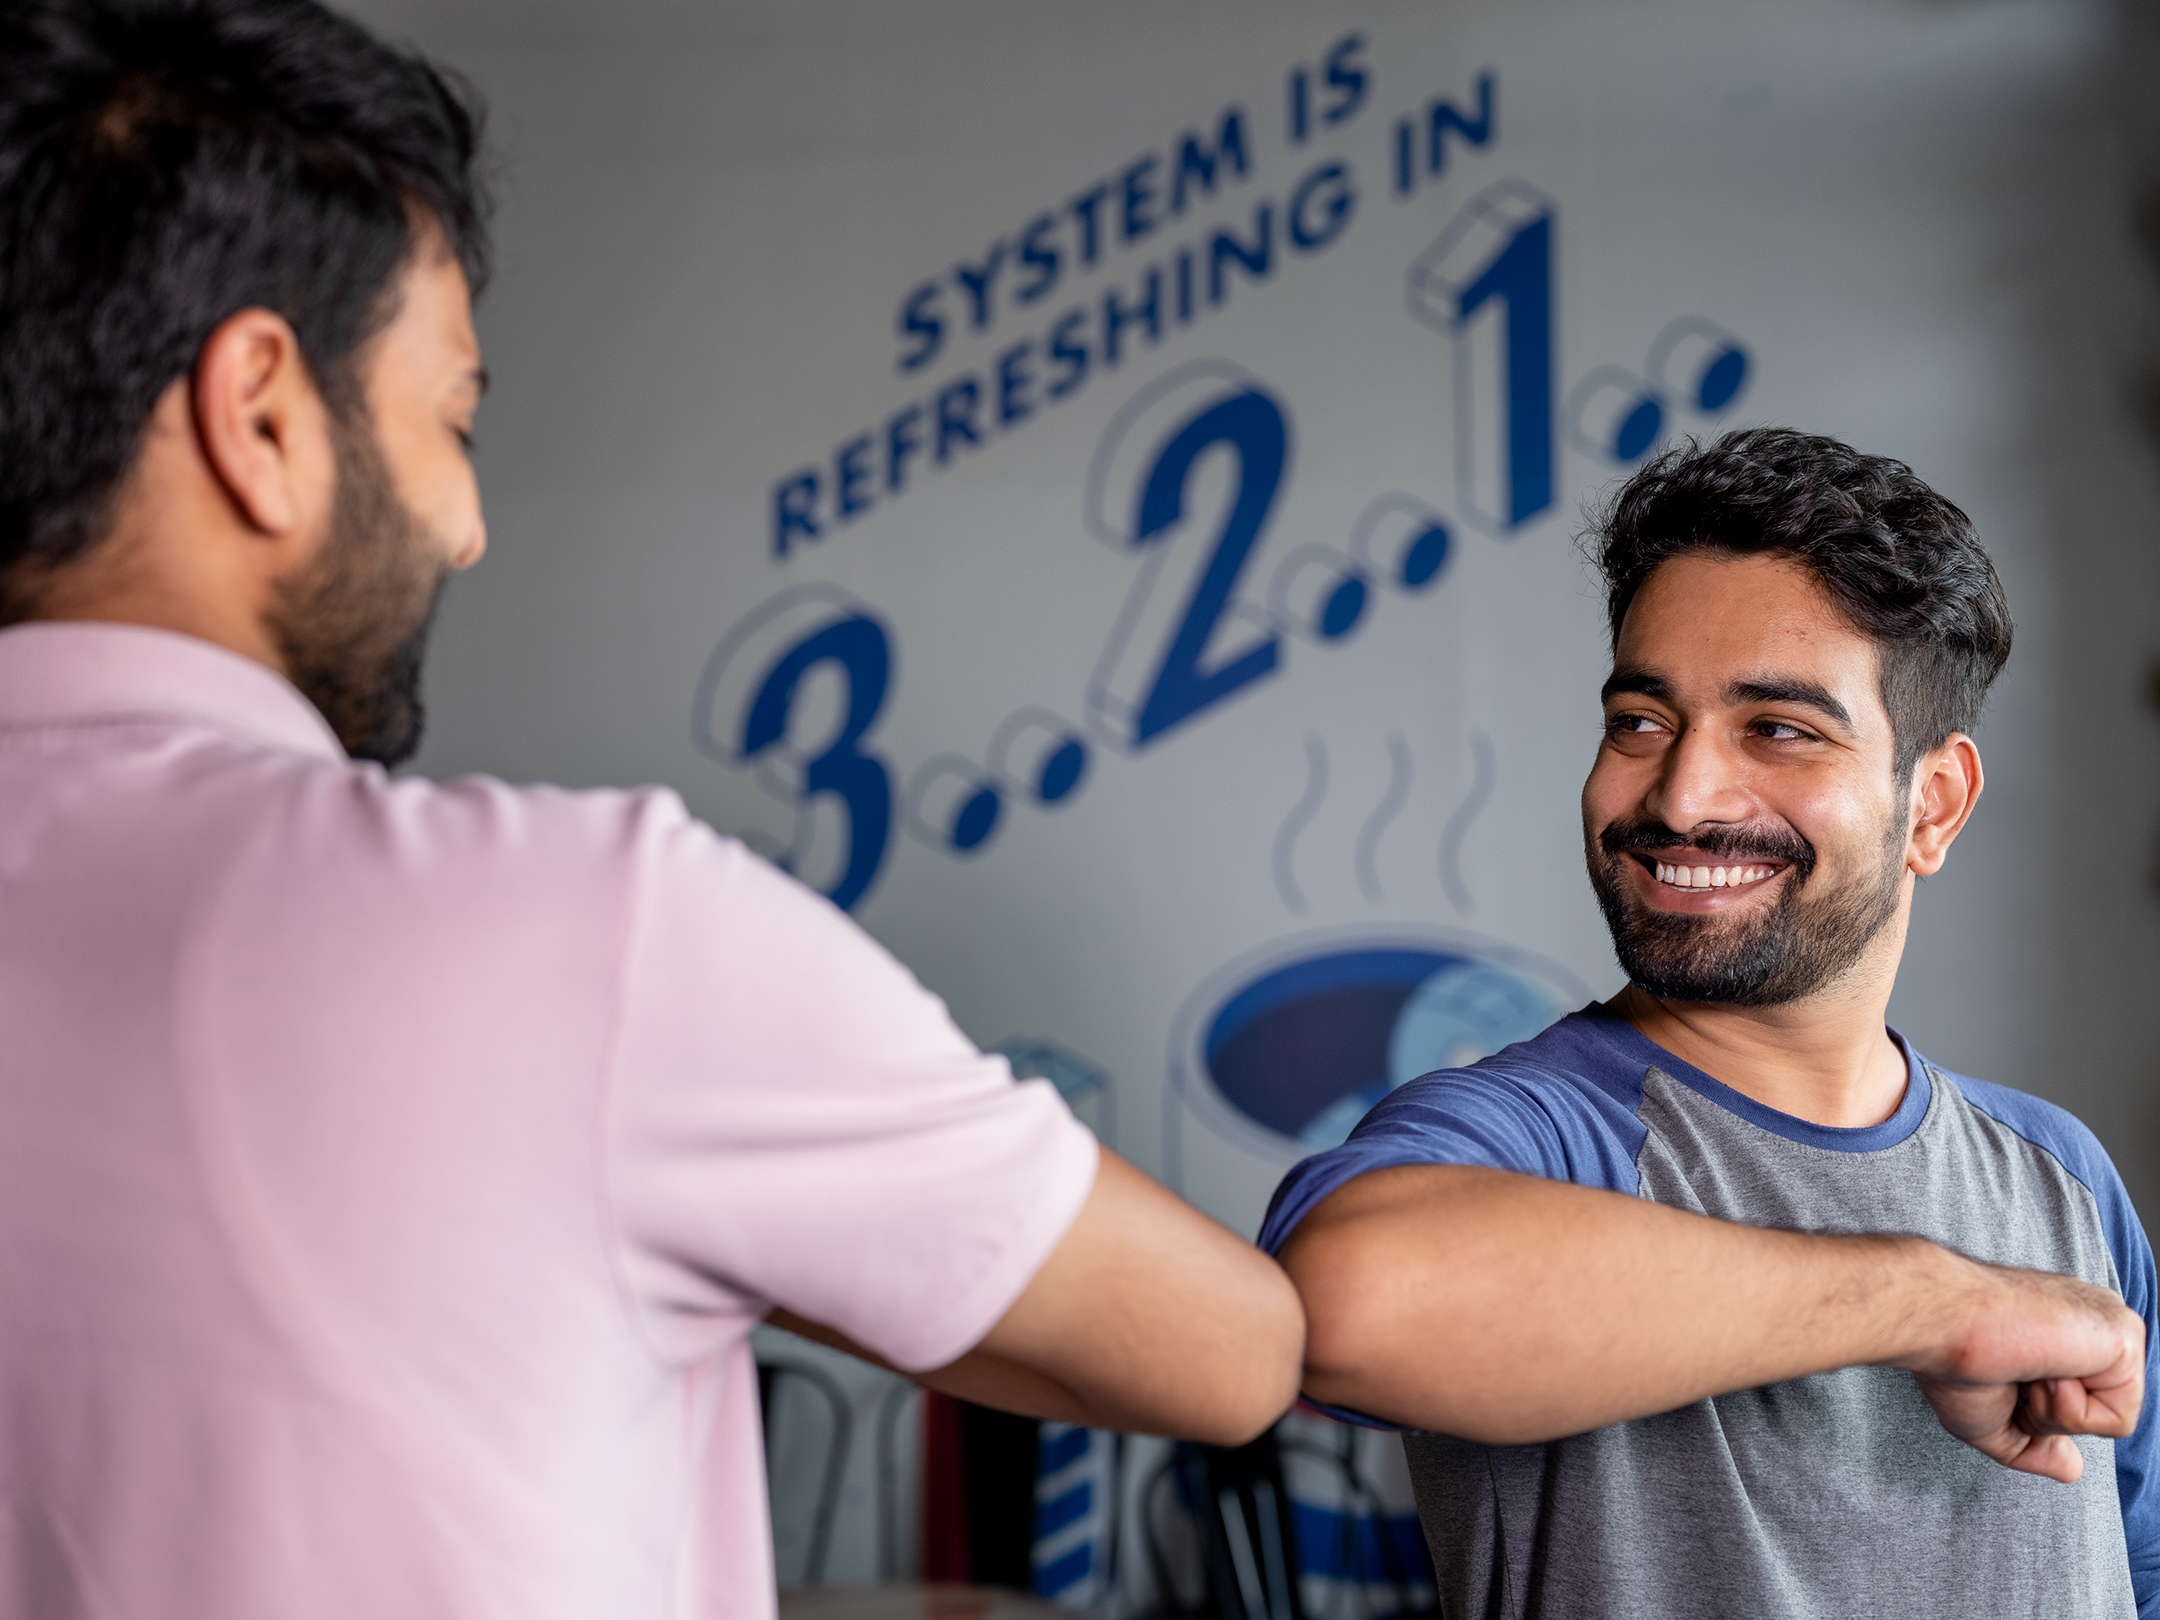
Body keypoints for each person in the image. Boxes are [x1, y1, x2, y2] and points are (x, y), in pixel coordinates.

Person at [0, 3, 1302, 1616]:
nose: (465, 529)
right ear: (263, 414)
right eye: (450, 423)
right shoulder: (591, 932)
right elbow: (1232, 1353)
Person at [1261, 428, 2158, 1619]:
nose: (1680, 796)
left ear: (1931, 805)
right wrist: (1940, 1303)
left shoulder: (2061, 1179)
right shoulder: (1538, 1137)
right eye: (1641, 721)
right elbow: (1342, 1306)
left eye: (1778, 730)